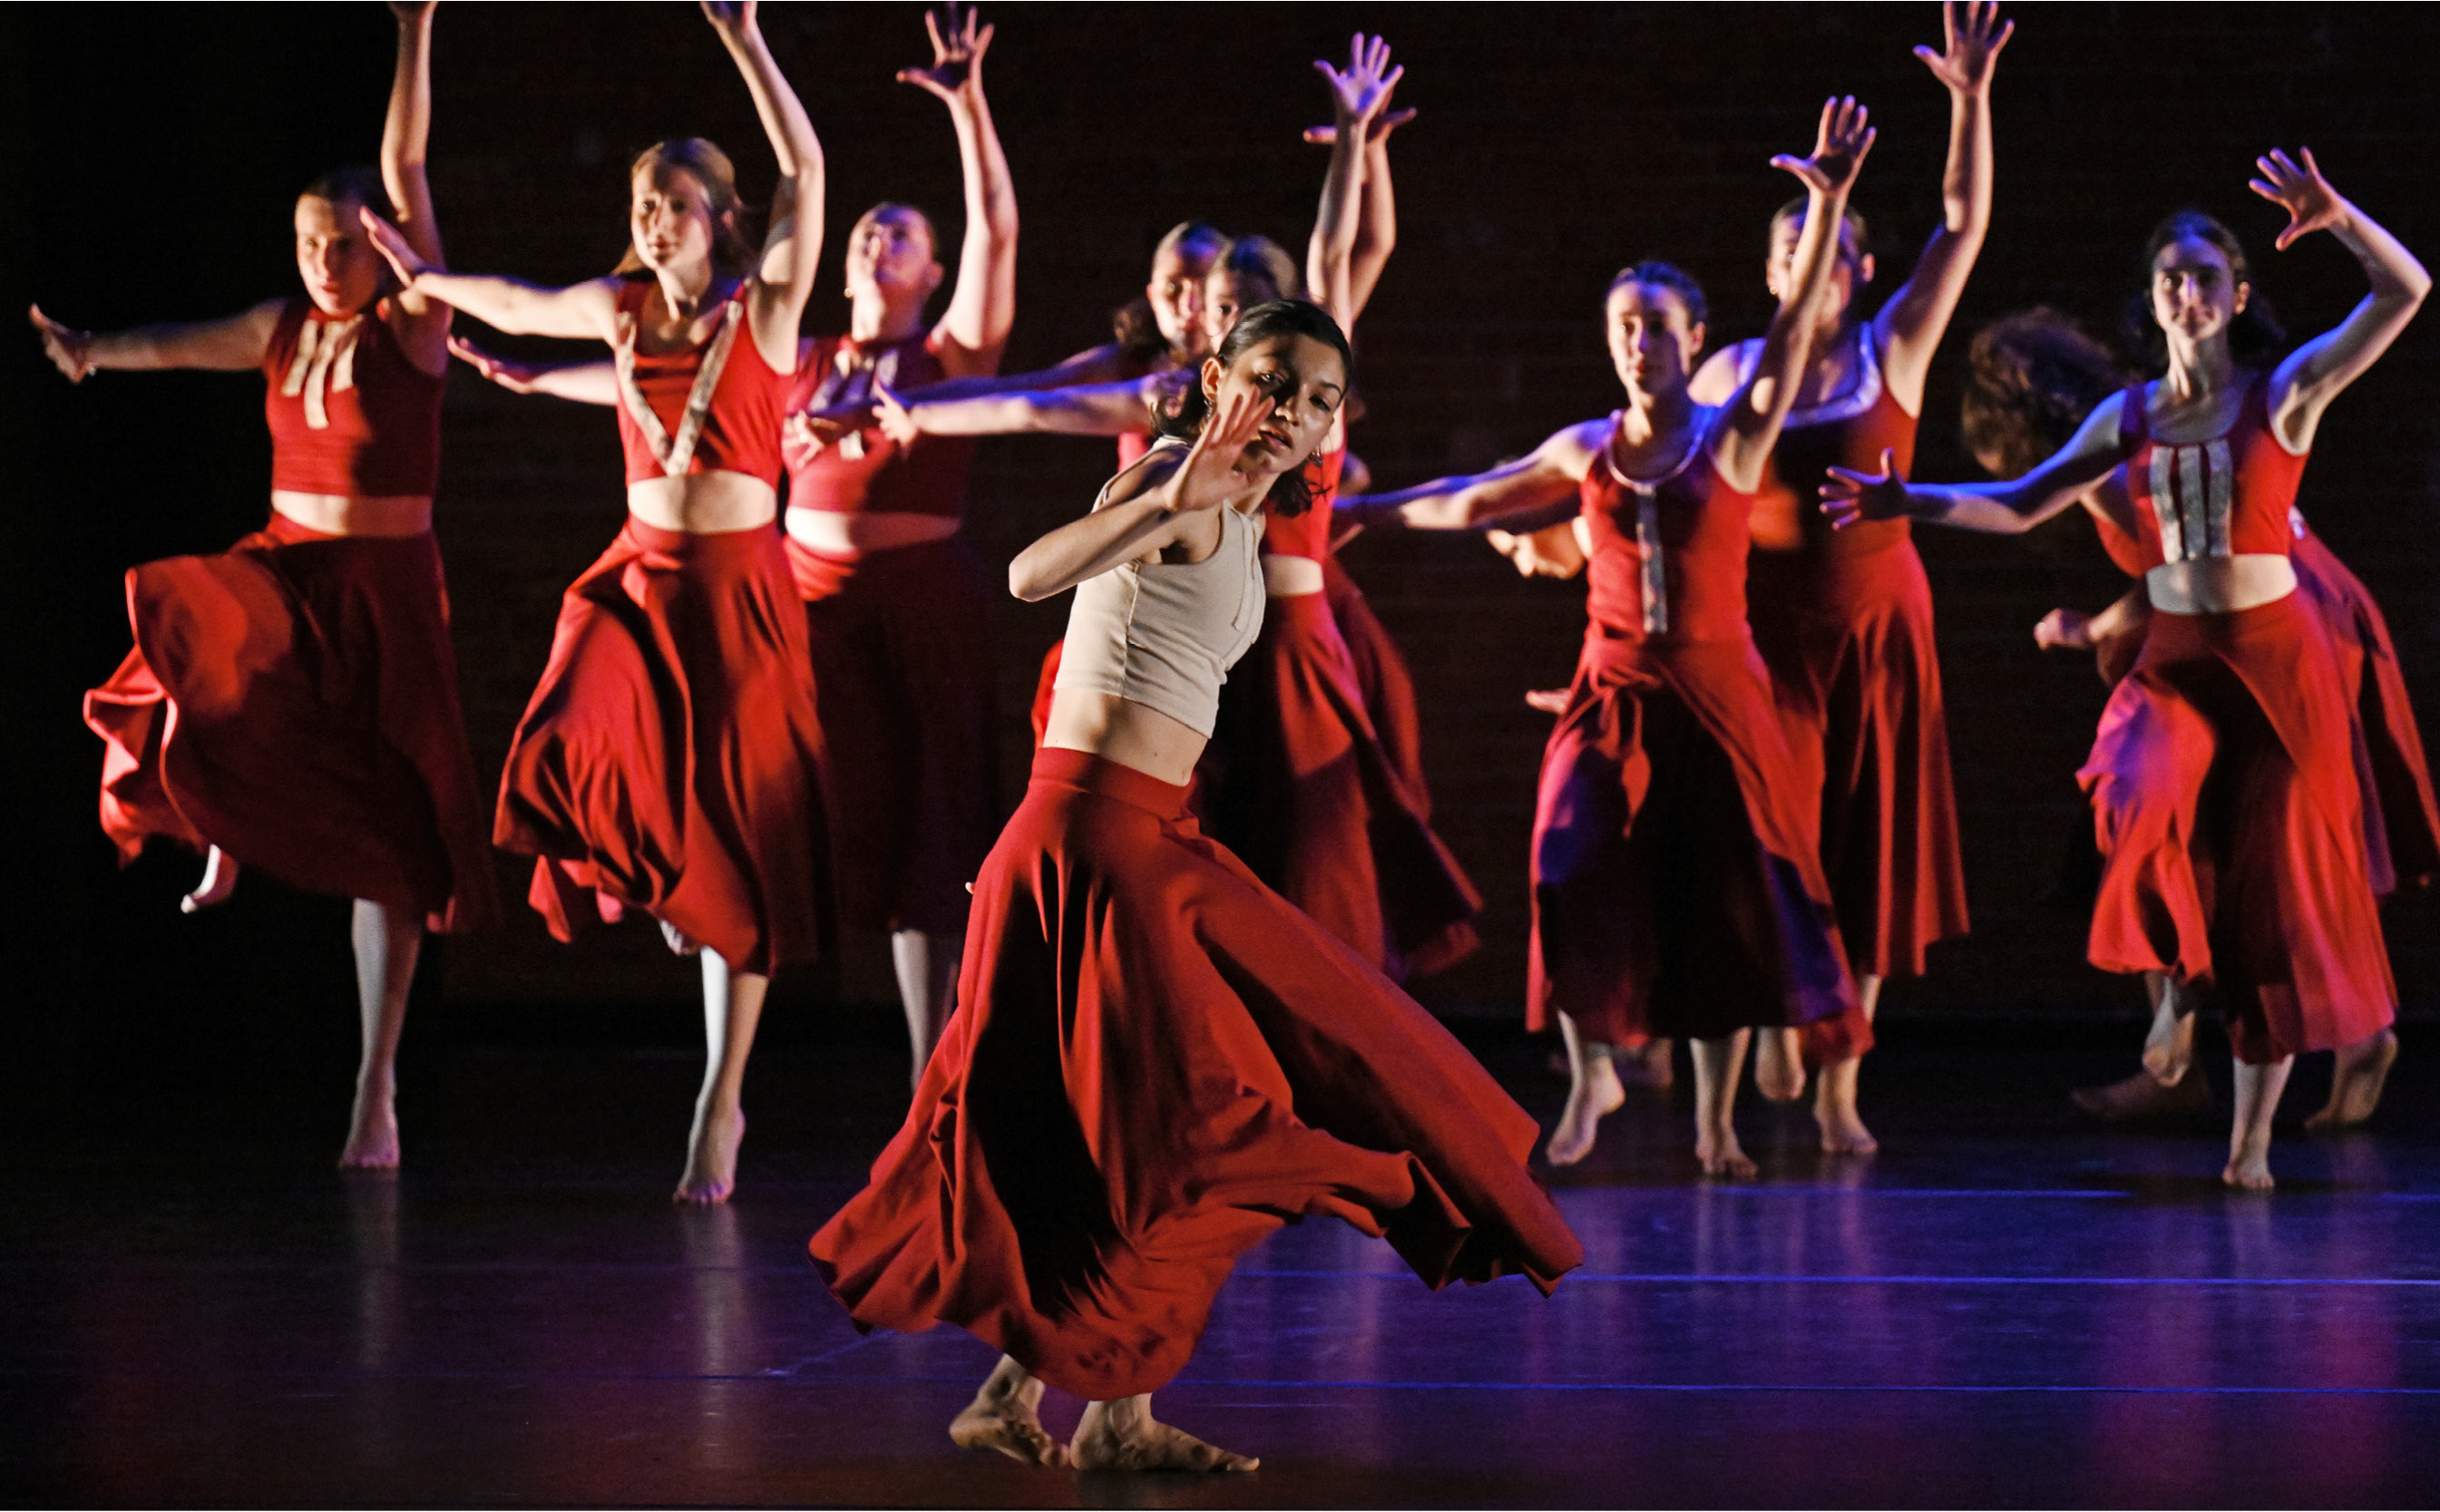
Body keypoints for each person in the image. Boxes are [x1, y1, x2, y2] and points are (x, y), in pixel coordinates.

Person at [809, 300, 1582, 1473]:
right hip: (1089, 843)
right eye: (1273, 382)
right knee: (1197, 1120)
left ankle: (1099, 1405)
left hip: (1151, 840)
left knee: (1194, 1118)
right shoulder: (1172, 476)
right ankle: (1071, 1391)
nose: (1294, 413)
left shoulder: (1251, 514)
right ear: (1215, 374)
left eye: (1318, 399)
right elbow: (1030, 574)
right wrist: (1160, 500)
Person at [1824, 151, 2428, 1188]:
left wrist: (2334, 218)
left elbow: (2404, 290)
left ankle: (2246, 1150)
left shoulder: (2280, 395)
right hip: (2175, 665)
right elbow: (2020, 501)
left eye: (2202, 276)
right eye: (2166, 278)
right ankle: (2172, 995)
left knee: (2267, 894)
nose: (2183, 292)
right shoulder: (2129, 417)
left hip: (2275, 670)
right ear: (2149, 301)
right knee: (2130, 795)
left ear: (2235, 296)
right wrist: (1903, 503)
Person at [860, 36, 1481, 980]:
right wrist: (919, 406)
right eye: (1213, 303)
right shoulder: (1180, 411)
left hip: (1286, 633)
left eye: (1245, 300)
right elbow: (1036, 404)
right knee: (1206, 847)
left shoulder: (1304, 393)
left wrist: (1358, 145)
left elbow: (1346, 250)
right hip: (1194, 638)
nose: (1223, 312)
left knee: (1316, 867)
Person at [1341, 99, 1875, 1174]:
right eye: (1623, 326)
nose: (1639, 343)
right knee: (1567, 855)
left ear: (1689, 337)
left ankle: (1716, 1124)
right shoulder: (1585, 445)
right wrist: (1358, 510)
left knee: (1721, 907)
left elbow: (1789, 327)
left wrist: (1825, 208)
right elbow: (1474, 497)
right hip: (1612, 688)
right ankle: (1591, 1072)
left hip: (1717, 693)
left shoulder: (1732, 437)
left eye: (1658, 326)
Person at [366, 0, 828, 1203]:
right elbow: (515, 297)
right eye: (637, 200)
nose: (647, 216)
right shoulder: (621, 312)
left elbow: (807, 168)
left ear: (715, 218)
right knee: (565, 728)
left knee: (736, 840)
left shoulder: (763, 308)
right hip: (637, 572)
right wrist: (429, 279)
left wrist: (743, 38)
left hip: (736, 591)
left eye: (667, 200)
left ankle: (719, 1105)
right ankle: (656, 876)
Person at [34, 1, 492, 1172]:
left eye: (339, 243)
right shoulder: (282, 325)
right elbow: (181, 342)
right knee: (191, 620)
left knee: (391, 842)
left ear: (378, 245)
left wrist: (414, 29)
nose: (319, 260)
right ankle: (214, 812)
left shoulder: (415, 324)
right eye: (304, 242)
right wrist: (94, 350)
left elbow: (406, 163)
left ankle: (373, 1087)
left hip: (385, 592)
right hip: (293, 566)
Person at [1967, 308, 2438, 1131]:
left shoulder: (2113, 464)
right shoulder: (2138, 416)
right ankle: (2352, 1034)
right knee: (2218, 830)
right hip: (2278, 606)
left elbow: (2175, 566)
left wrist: (2091, 629)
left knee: (2227, 831)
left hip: (2276, 621)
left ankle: (2193, 1029)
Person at [1677, 0, 2009, 1154]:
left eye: (1814, 250)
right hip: (1761, 643)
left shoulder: (1888, 351)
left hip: (1873, 631)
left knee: (1866, 857)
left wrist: (1966, 103)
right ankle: (1775, 1021)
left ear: (1854, 268)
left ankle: (1838, 1087)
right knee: (1771, 845)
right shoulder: (1730, 369)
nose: (1796, 270)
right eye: (1779, 254)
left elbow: (1961, 226)